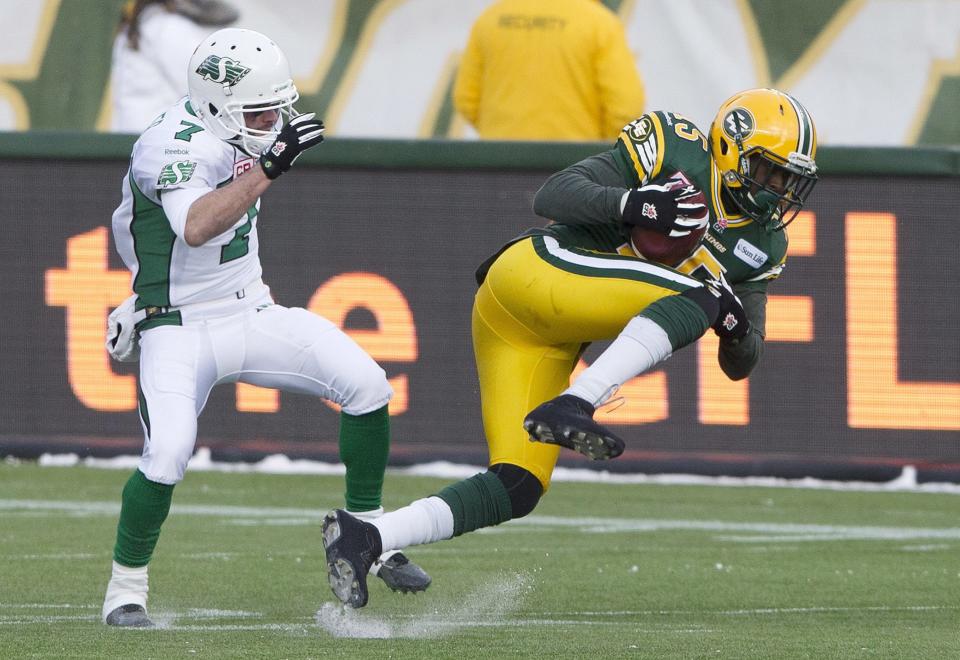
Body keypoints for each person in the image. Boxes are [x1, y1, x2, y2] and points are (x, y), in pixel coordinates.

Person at [320, 88, 819, 608]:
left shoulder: (764, 244)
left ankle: (366, 539)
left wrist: (738, 329)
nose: (778, 192)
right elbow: (553, 194)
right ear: (731, 150)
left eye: (789, 180)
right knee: (701, 293)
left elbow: (743, 361)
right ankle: (578, 402)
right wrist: (633, 203)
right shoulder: (678, 148)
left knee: (518, 486)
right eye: (771, 172)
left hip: (536, 335)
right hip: (537, 270)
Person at [101, 27, 430, 628]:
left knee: (368, 385)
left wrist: (265, 157)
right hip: (176, 325)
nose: (272, 120)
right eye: (258, 111)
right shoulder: (172, 143)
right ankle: (125, 591)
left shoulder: (244, 126)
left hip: (250, 308)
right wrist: (268, 170)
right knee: (169, 451)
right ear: (214, 104)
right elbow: (196, 226)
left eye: (276, 107)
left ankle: (368, 534)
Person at [453, 0, 645, 141]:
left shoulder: (489, 20)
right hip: (576, 168)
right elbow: (625, 108)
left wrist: (501, 131)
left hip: (499, 165)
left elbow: (466, 98)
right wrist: (597, 151)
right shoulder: (600, 24)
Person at [109, 0, 239, 133]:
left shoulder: (148, 20)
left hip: (138, 136)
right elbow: (212, 83)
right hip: (153, 139)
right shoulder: (165, 26)